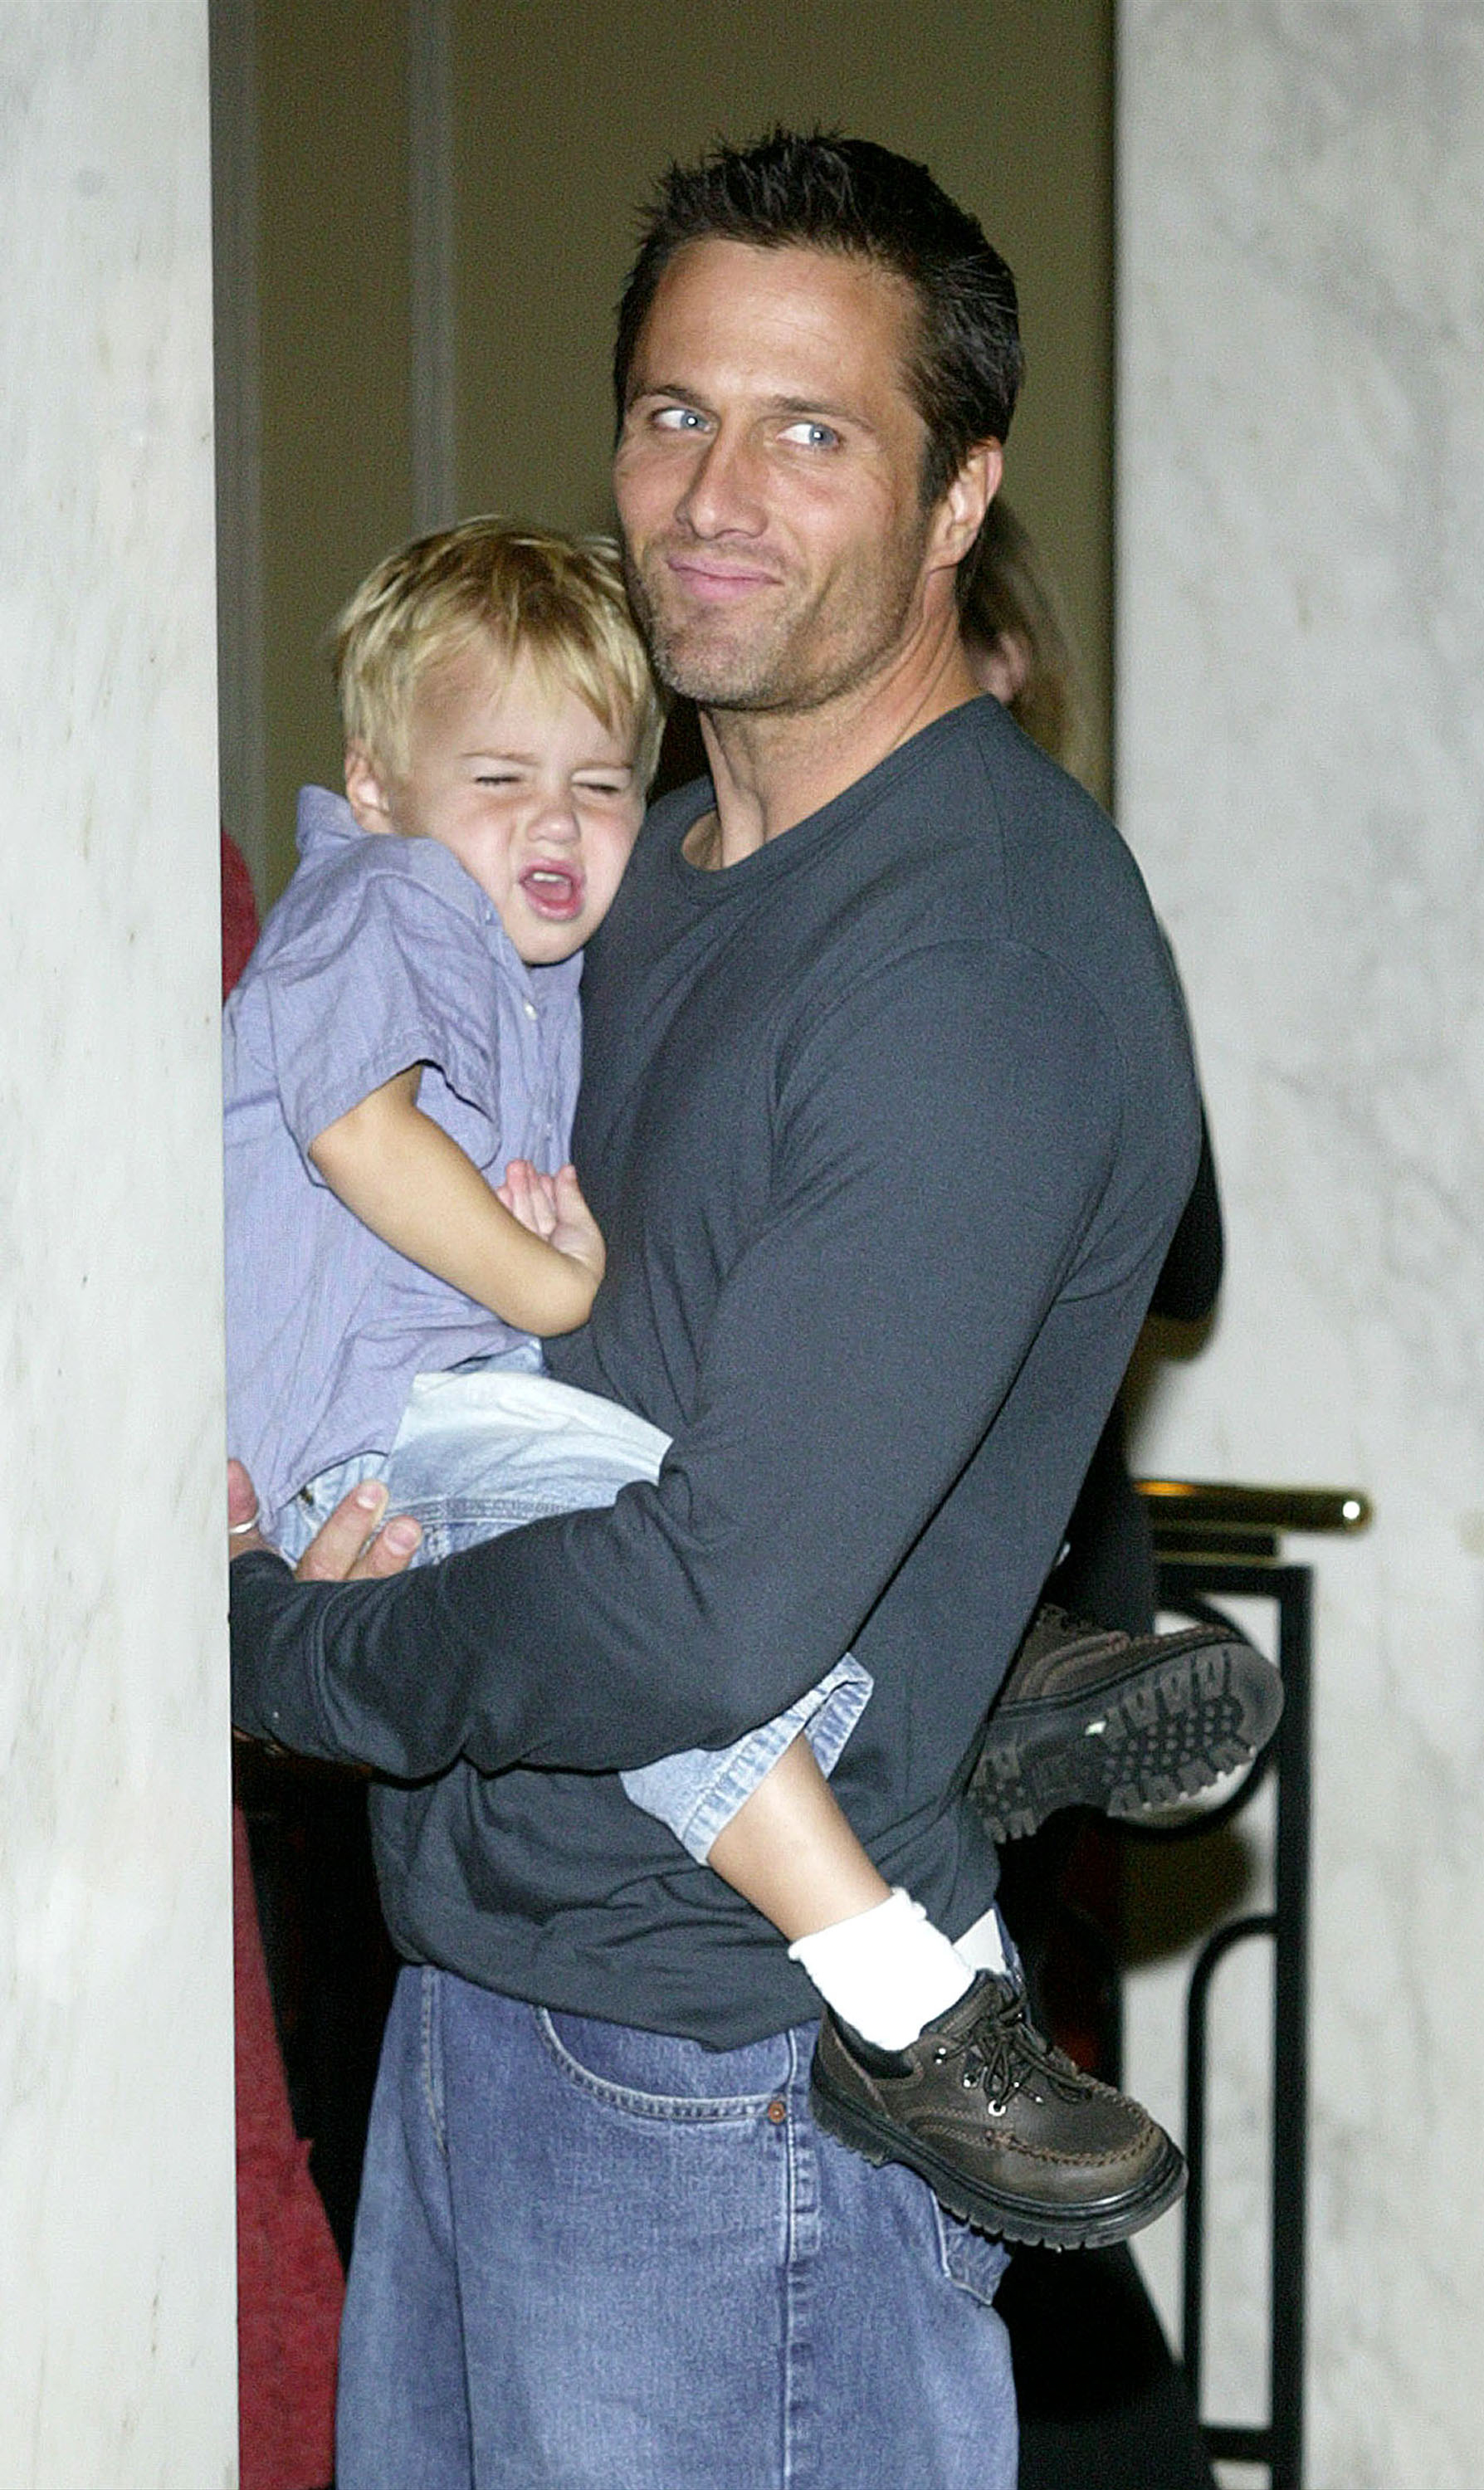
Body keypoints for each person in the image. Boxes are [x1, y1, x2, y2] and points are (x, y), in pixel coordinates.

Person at [227, 131, 1258, 2490]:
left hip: (724, 2097)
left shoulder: (972, 960)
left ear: (958, 494)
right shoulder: (629, 876)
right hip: (495, 1990)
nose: (715, 491)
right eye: (673, 412)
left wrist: (282, 1648)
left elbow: (701, 1611)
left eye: (813, 432)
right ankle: (997, 1677)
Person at [226, 512, 1198, 2248]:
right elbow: (357, 1131)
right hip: (377, 1452)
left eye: (601, 785)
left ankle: (956, 1698)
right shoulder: (381, 904)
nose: (560, 826)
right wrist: (551, 1274)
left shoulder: (546, 947)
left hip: (464, 1419)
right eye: (500, 778)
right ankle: (907, 1990)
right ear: (376, 787)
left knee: (680, 1569)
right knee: (672, 1628)